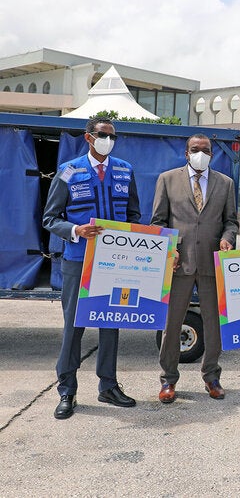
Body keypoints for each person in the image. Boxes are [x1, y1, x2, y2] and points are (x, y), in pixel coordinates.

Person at [42, 117, 140, 419]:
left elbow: (134, 215)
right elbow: (50, 218)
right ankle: (67, 390)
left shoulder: (125, 170)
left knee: (111, 323)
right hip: (78, 262)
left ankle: (108, 386)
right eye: (102, 135)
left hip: (114, 264)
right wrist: (75, 230)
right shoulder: (69, 171)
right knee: (74, 327)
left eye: (112, 136)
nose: (108, 140)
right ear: (89, 137)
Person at [151, 134, 238, 403]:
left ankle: (212, 376)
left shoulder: (225, 183)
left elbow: (231, 222)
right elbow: (158, 222)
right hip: (179, 263)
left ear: (212, 154)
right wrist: (171, 249)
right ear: (186, 153)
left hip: (212, 263)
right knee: (172, 324)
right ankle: (168, 380)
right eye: (195, 149)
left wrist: (227, 239)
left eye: (206, 150)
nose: (201, 153)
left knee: (214, 324)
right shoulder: (167, 179)